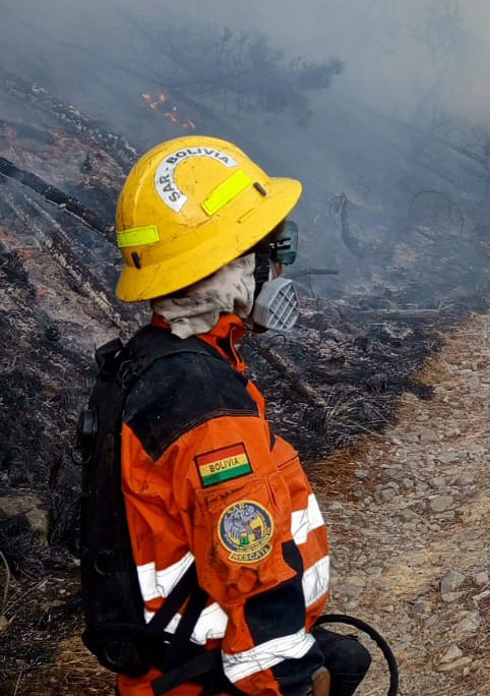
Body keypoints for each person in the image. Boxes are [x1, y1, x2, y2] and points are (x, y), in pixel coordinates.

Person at [80, 136, 369, 696]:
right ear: (231, 267)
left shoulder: (153, 363)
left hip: (178, 662)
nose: (281, 268)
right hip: (209, 675)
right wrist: (292, 682)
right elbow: (250, 575)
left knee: (347, 657)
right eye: (274, 251)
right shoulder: (201, 400)